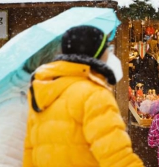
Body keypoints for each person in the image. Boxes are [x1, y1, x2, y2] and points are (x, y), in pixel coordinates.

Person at [24, 25, 143, 167]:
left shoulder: (42, 92)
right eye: (107, 48)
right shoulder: (93, 94)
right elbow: (117, 156)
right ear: (97, 53)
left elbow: (29, 152)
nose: (109, 53)